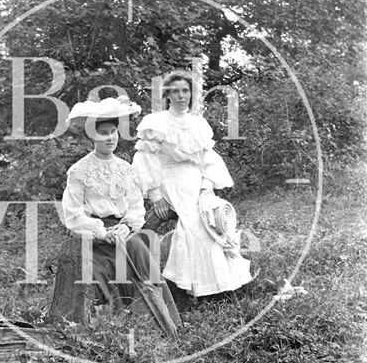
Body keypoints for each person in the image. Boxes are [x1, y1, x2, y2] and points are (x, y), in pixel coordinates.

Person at [61, 95, 181, 337]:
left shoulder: (126, 169)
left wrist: (126, 227)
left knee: (139, 250)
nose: (110, 138)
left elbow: (136, 207)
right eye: (104, 132)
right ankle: (112, 329)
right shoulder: (78, 171)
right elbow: (72, 214)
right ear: (93, 136)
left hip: (123, 231)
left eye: (114, 132)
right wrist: (101, 232)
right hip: (93, 236)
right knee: (99, 268)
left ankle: (162, 326)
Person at [132, 70, 252, 307]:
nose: (180, 96)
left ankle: (220, 287)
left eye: (185, 91)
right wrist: (156, 196)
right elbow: (145, 161)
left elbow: (209, 161)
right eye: (175, 91)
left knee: (214, 221)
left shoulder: (199, 124)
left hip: (197, 182)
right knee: (194, 227)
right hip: (170, 179)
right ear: (167, 94)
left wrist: (206, 188)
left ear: (192, 94)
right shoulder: (156, 123)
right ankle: (187, 288)